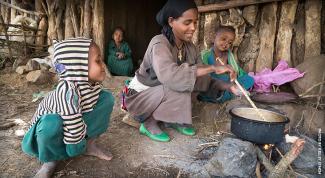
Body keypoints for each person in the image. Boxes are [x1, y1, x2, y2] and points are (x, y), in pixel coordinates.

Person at [124, 0, 244, 142]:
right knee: (179, 83)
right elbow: (171, 77)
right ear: (171, 22)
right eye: (187, 23)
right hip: (140, 99)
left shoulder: (190, 48)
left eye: (195, 22)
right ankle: (149, 123)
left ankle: (174, 119)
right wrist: (213, 67)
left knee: (196, 79)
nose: (193, 27)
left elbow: (202, 77)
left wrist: (229, 86)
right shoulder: (159, 43)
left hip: (160, 93)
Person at [21, 38, 115, 178]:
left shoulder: (89, 86)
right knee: (51, 123)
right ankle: (49, 160)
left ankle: (89, 145)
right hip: (43, 136)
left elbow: (81, 115)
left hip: (70, 128)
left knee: (106, 99)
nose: (103, 65)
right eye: (98, 61)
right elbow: (73, 121)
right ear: (78, 66)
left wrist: (82, 142)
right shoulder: (67, 92)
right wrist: (75, 148)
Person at [198, 26, 254, 103]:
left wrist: (233, 75)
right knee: (218, 82)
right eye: (223, 39)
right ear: (214, 37)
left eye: (229, 42)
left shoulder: (229, 55)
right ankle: (226, 94)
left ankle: (229, 92)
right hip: (213, 82)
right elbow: (203, 74)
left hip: (228, 82)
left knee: (249, 79)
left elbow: (236, 69)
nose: (226, 44)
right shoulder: (205, 55)